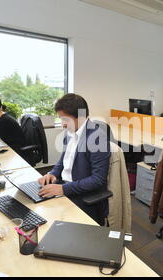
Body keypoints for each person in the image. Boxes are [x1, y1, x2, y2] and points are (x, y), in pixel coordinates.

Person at [37, 93, 111, 224]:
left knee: (47, 221)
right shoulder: (70, 133)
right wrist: (52, 174)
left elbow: (98, 180)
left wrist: (63, 189)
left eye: (65, 120)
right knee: (38, 211)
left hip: (82, 196)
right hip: (64, 187)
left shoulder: (97, 138)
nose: (63, 125)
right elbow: (62, 161)